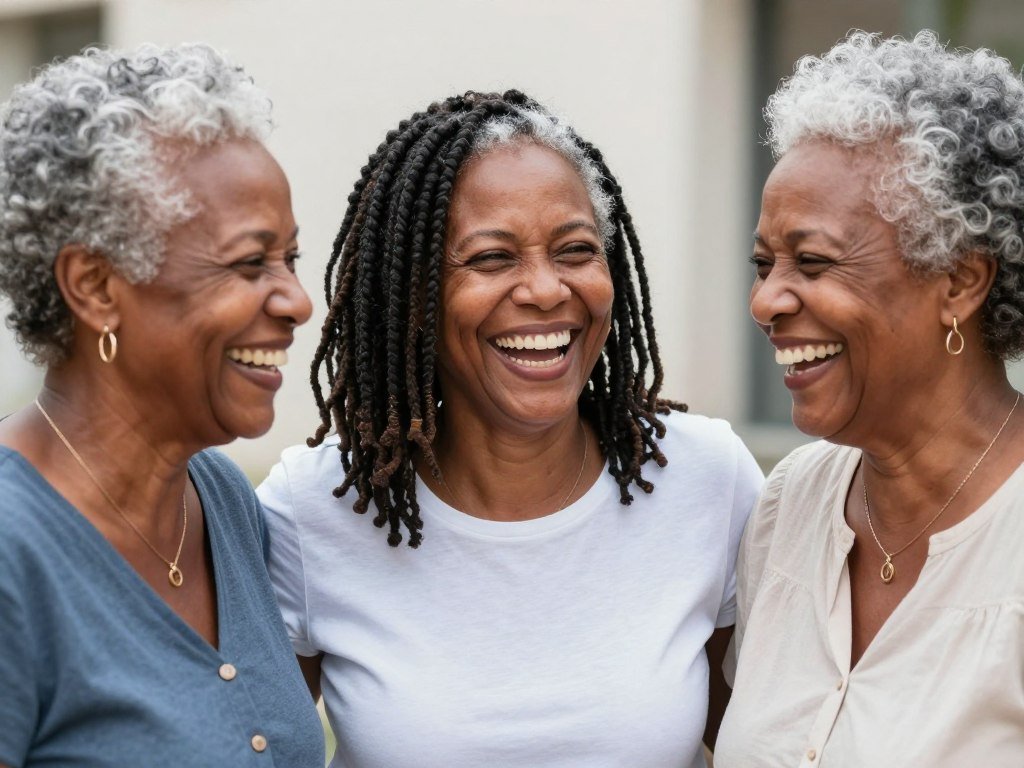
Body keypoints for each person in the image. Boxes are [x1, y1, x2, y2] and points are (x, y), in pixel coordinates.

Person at [258, 90, 763, 768]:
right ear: (413, 295)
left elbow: (765, 744)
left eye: (576, 250)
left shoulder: (708, 480)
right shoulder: (312, 510)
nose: (546, 289)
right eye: (493, 258)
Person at [0, 44, 324, 766]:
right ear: (96, 286)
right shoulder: (13, 552)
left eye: (290, 260)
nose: (298, 301)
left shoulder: (221, 502)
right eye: (250, 263)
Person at [715, 31, 1024, 766]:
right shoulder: (792, 503)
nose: (765, 301)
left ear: (959, 282)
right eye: (764, 263)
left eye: (813, 262)